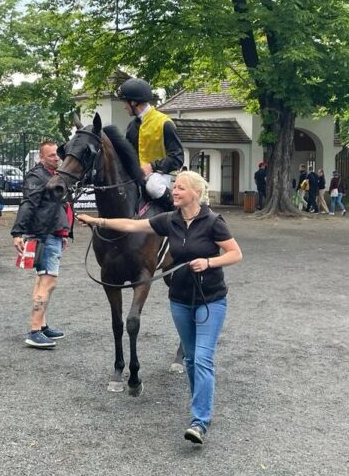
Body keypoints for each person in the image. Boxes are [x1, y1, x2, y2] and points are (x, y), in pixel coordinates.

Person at [76, 171, 242, 445]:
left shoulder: (213, 222)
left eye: (179, 188)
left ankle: (199, 420)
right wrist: (96, 220)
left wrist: (209, 263)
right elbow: (131, 226)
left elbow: (236, 254)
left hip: (210, 299)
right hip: (179, 299)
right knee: (190, 359)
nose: (173, 191)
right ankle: (199, 401)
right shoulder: (170, 220)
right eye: (174, 187)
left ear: (195, 193)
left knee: (201, 358)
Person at [11, 141, 71, 349]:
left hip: (53, 233)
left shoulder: (54, 175)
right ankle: (35, 331)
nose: (57, 158)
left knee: (41, 280)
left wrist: (63, 233)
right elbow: (28, 203)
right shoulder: (37, 176)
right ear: (41, 157)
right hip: (44, 235)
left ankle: (42, 326)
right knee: (48, 282)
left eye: (57, 155)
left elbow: (58, 206)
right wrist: (17, 232)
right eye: (52, 155)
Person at [117, 78, 184, 211]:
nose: (124, 106)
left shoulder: (165, 123)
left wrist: (152, 167)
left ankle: (177, 214)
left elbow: (178, 158)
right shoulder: (132, 127)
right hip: (140, 174)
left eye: (125, 102)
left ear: (134, 102)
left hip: (164, 175)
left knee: (152, 186)